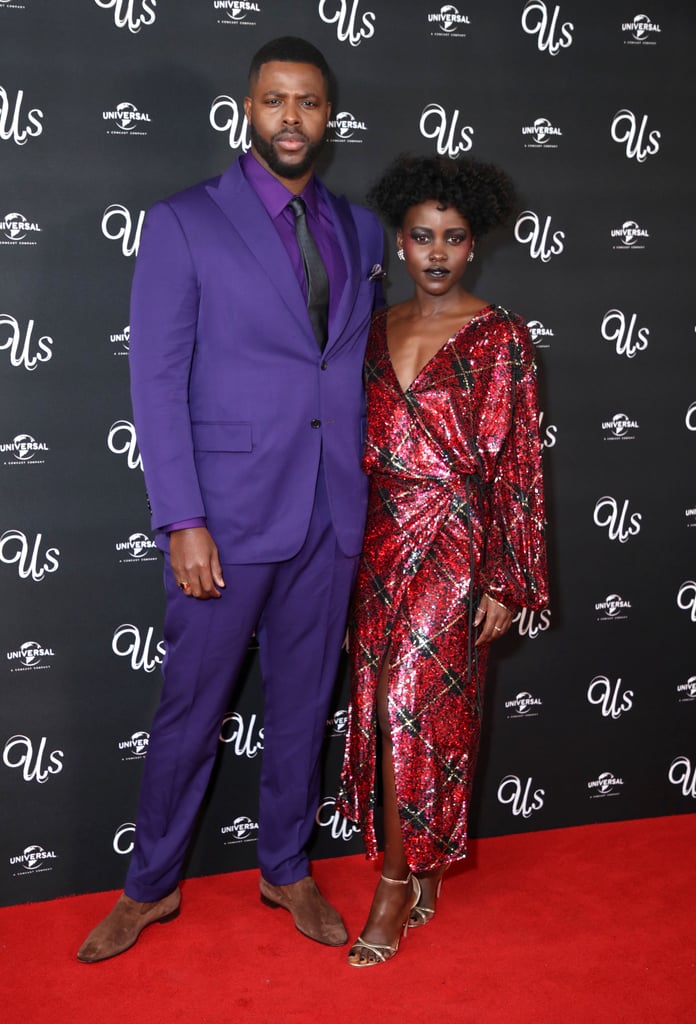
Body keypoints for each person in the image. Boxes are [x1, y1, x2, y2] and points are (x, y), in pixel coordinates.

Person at [77, 36, 383, 963]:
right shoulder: (183, 222)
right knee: (190, 708)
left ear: (328, 117)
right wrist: (182, 518)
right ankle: (150, 886)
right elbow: (157, 382)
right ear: (248, 109)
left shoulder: (362, 230)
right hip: (226, 516)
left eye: (310, 103)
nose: (293, 118)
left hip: (330, 514)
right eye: (276, 101)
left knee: (302, 707)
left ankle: (285, 867)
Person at [336, 154, 549, 967]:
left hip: (455, 543)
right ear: (399, 240)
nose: (436, 252)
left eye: (453, 239)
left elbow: (519, 465)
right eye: (422, 236)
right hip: (379, 536)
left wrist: (508, 576)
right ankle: (420, 861)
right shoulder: (372, 326)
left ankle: (393, 883)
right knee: (382, 708)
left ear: (473, 246)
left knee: (408, 708)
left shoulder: (500, 337)